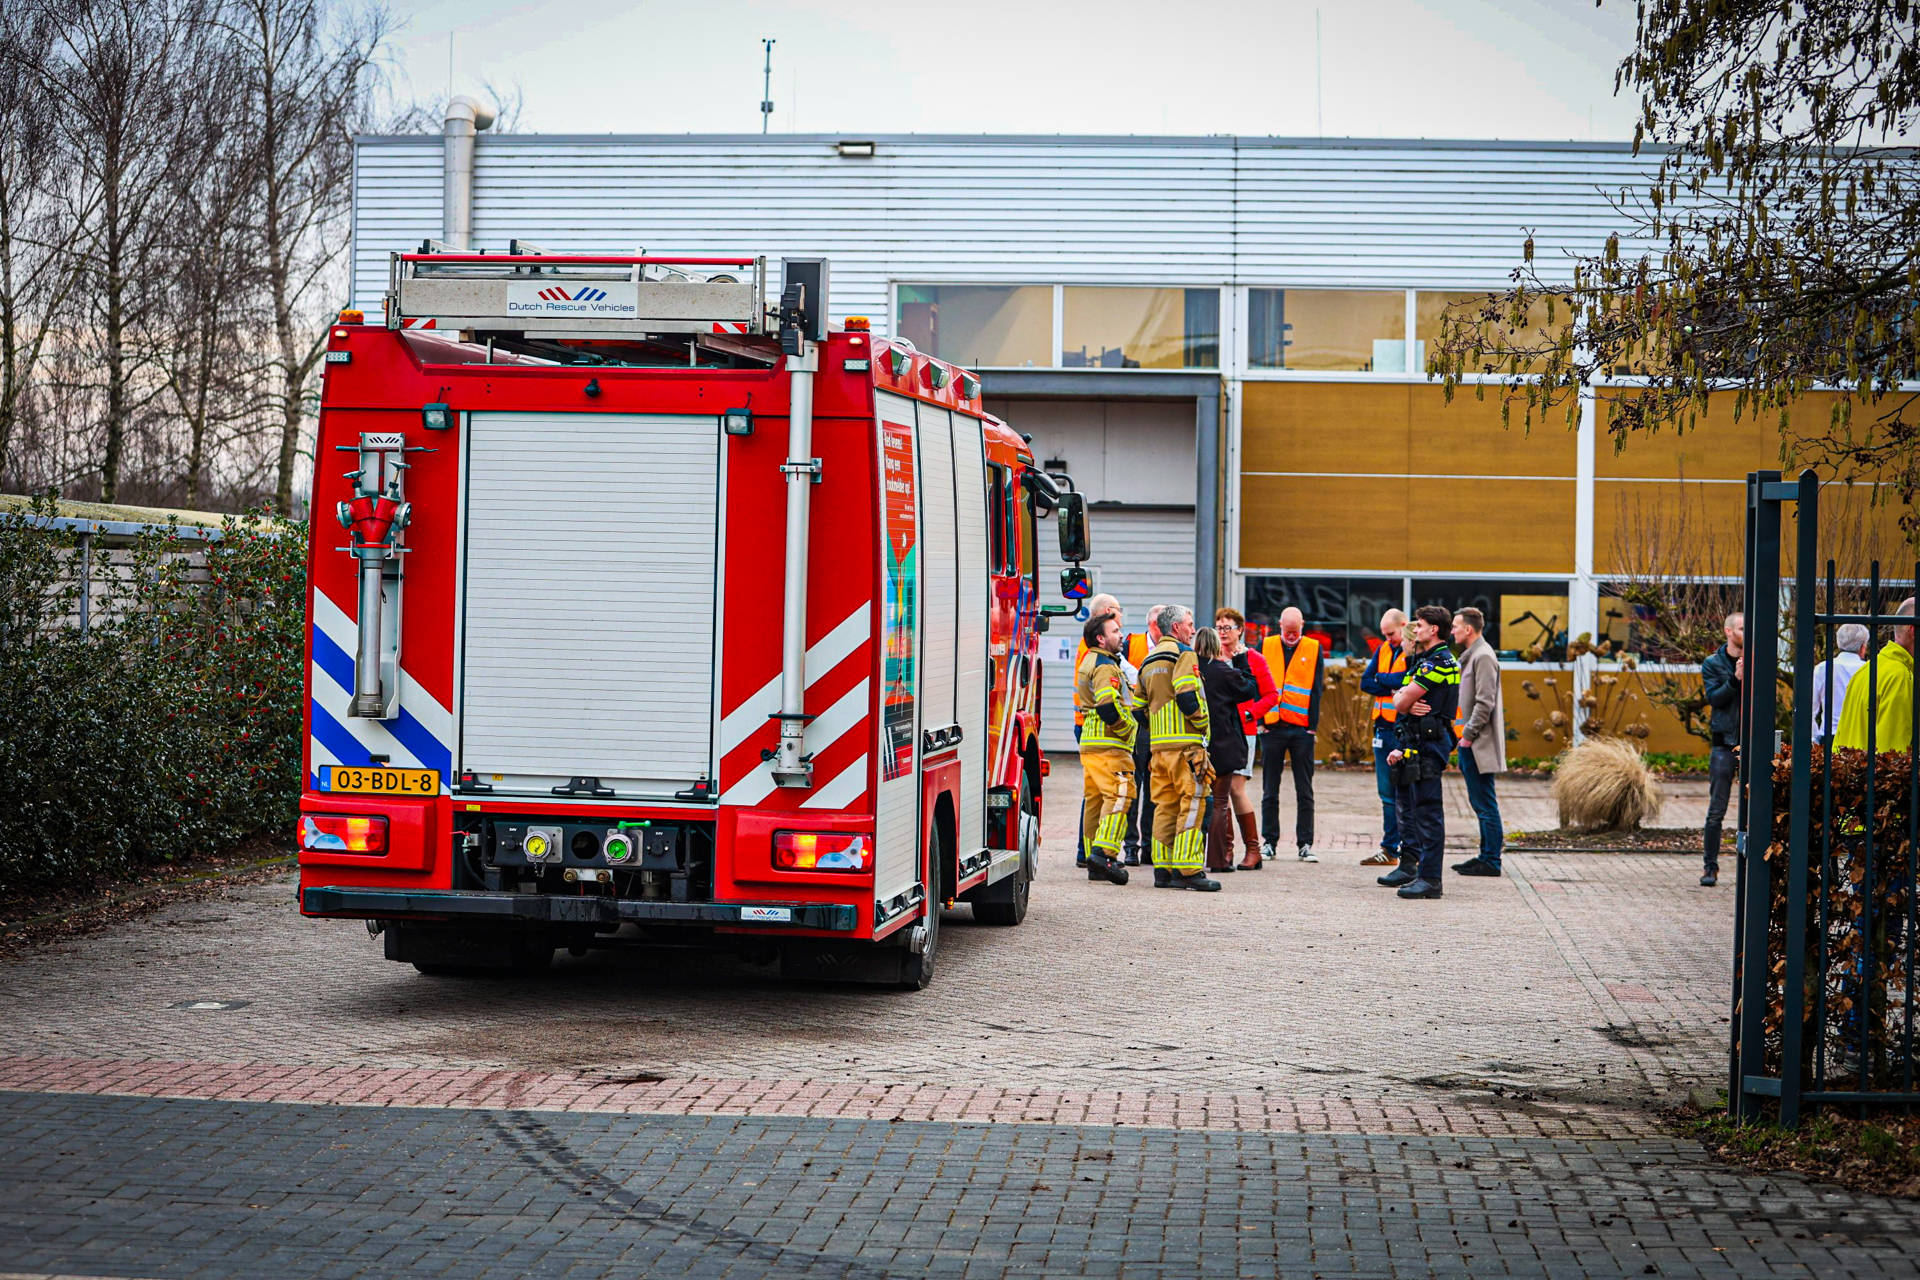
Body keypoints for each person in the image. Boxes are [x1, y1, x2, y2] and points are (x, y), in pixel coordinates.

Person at [1137, 605, 1219, 891]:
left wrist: (1159, 729)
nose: (1192, 629)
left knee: (1164, 807)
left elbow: (1137, 709)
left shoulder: (1149, 660)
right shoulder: (1184, 654)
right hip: (1186, 747)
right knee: (1193, 804)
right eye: (1189, 624)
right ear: (1175, 628)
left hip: (1159, 750)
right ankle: (1189, 869)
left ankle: (1163, 870)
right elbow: (1186, 695)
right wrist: (1201, 722)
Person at [1380, 605, 1460, 900]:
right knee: (1411, 811)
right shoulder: (1424, 662)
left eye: (1421, 624)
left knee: (1427, 814)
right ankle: (1415, 870)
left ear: (1434, 629)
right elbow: (1400, 695)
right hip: (1415, 744)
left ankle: (1429, 879)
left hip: (1429, 744)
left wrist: (1404, 699)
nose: (1417, 629)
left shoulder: (1438, 662)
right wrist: (1404, 698)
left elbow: (1400, 702)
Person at [1259, 606, 1324, 863]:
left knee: (1304, 789)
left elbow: (1317, 688)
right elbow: (1258, 682)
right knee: (1269, 790)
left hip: (1301, 730)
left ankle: (1305, 843)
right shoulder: (1267, 645)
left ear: (1302, 626)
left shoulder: (1313, 647)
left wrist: (1312, 726)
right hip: (1272, 727)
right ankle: (1269, 842)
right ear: (1280, 626)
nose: (1291, 636)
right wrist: (1262, 721)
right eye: (1287, 631)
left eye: (1295, 632)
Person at [1074, 610, 1135, 886]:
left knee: (1096, 801)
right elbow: (1108, 705)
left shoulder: (1089, 661)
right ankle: (1104, 854)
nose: (1120, 635)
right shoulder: (1105, 666)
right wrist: (1127, 730)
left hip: (1091, 743)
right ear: (1100, 638)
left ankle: (1092, 859)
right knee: (1120, 795)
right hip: (1110, 745)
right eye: (1114, 631)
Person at [1215, 607, 1276, 869]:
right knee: (1219, 792)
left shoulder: (1254, 658)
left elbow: (1272, 695)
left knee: (1236, 788)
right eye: (1219, 627)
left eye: (1228, 627)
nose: (1223, 633)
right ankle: (1224, 850)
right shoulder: (1212, 658)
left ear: (1240, 630)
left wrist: (1251, 713)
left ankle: (1253, 849)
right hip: (1218, 732)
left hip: (1243, 731)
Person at [1449, 607, 1507, 878]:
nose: (1452, 631)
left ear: (1468, 629)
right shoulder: (1473, 656)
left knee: (1485, 803)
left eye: (1455, 626)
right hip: (1470, 742)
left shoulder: (1483, 657)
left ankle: (1491, 861)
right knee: (1480, 802)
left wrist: (1468, 736)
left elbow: (1485, 703)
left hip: (1476, 744)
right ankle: (1485, 856)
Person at [1195, 626, 1258, 873]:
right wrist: (1241, 658)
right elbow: (1249, 688)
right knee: (1220, 802)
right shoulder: (1221, 671)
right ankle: (1219, 859)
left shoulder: (1189, 670)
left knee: (1195, 802)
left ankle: (1190, 856)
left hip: (1193, 745)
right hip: (1222, 745)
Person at [1357, 609, 1409, 868]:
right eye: (1385, 635)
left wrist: (1384, 680)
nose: (1388, 639)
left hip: (1398, 729)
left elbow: (1407, 680)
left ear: (1404, 625)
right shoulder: (1384, 649)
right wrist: (1392, 685)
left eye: (1392, 633)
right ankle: (1390, 849)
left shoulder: (1412, 650)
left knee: (1398, 793)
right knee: (1386, 793)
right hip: (1382, 727)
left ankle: (1395, 849)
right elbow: (1366, 682)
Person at [1834, 598, 1916, 752]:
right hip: (1872, 774)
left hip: (1848, 771)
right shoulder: (1900, 677)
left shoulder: (1867, 670)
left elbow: (1840, 737)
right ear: (1913, 630)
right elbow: (1893, 756)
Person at [1700, 611, 1744, 889]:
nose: (1747, 633)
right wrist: (1735, 679)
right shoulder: (1713, 663)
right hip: (1724, 744)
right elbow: (1714, 699)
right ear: (1728, 632)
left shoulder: (1757, 660)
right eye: (1742, 628)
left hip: (1752, 743)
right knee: (1717, 809)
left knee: (1756, 810)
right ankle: (1710, 866)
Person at [1812, 623, 1870, 744]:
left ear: (1839, 643)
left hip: (1829, 736)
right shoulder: (1870, 670)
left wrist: (1816, 738)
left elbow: (1809, 709)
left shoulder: (1823, 669)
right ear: (1863, 647)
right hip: (1862, 738)